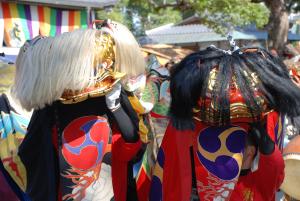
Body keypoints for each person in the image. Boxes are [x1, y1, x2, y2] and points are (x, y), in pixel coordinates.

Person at [11, 20, 146, 201]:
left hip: (108, 187)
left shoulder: (113, 91)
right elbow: (35, 151)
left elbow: (131, 145)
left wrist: (116, 107)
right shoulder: (52, 104)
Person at [149, 45, 300, 201]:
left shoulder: (253, 184)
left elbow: (273, 174)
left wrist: (265, 142)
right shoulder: (192, 120)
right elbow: (173, 172)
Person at [230, 123, 284, 201]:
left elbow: (276, 166)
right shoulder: (218, 180)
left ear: (250, 151)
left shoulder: (260, 183)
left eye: (233, 146)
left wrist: (266, 144)